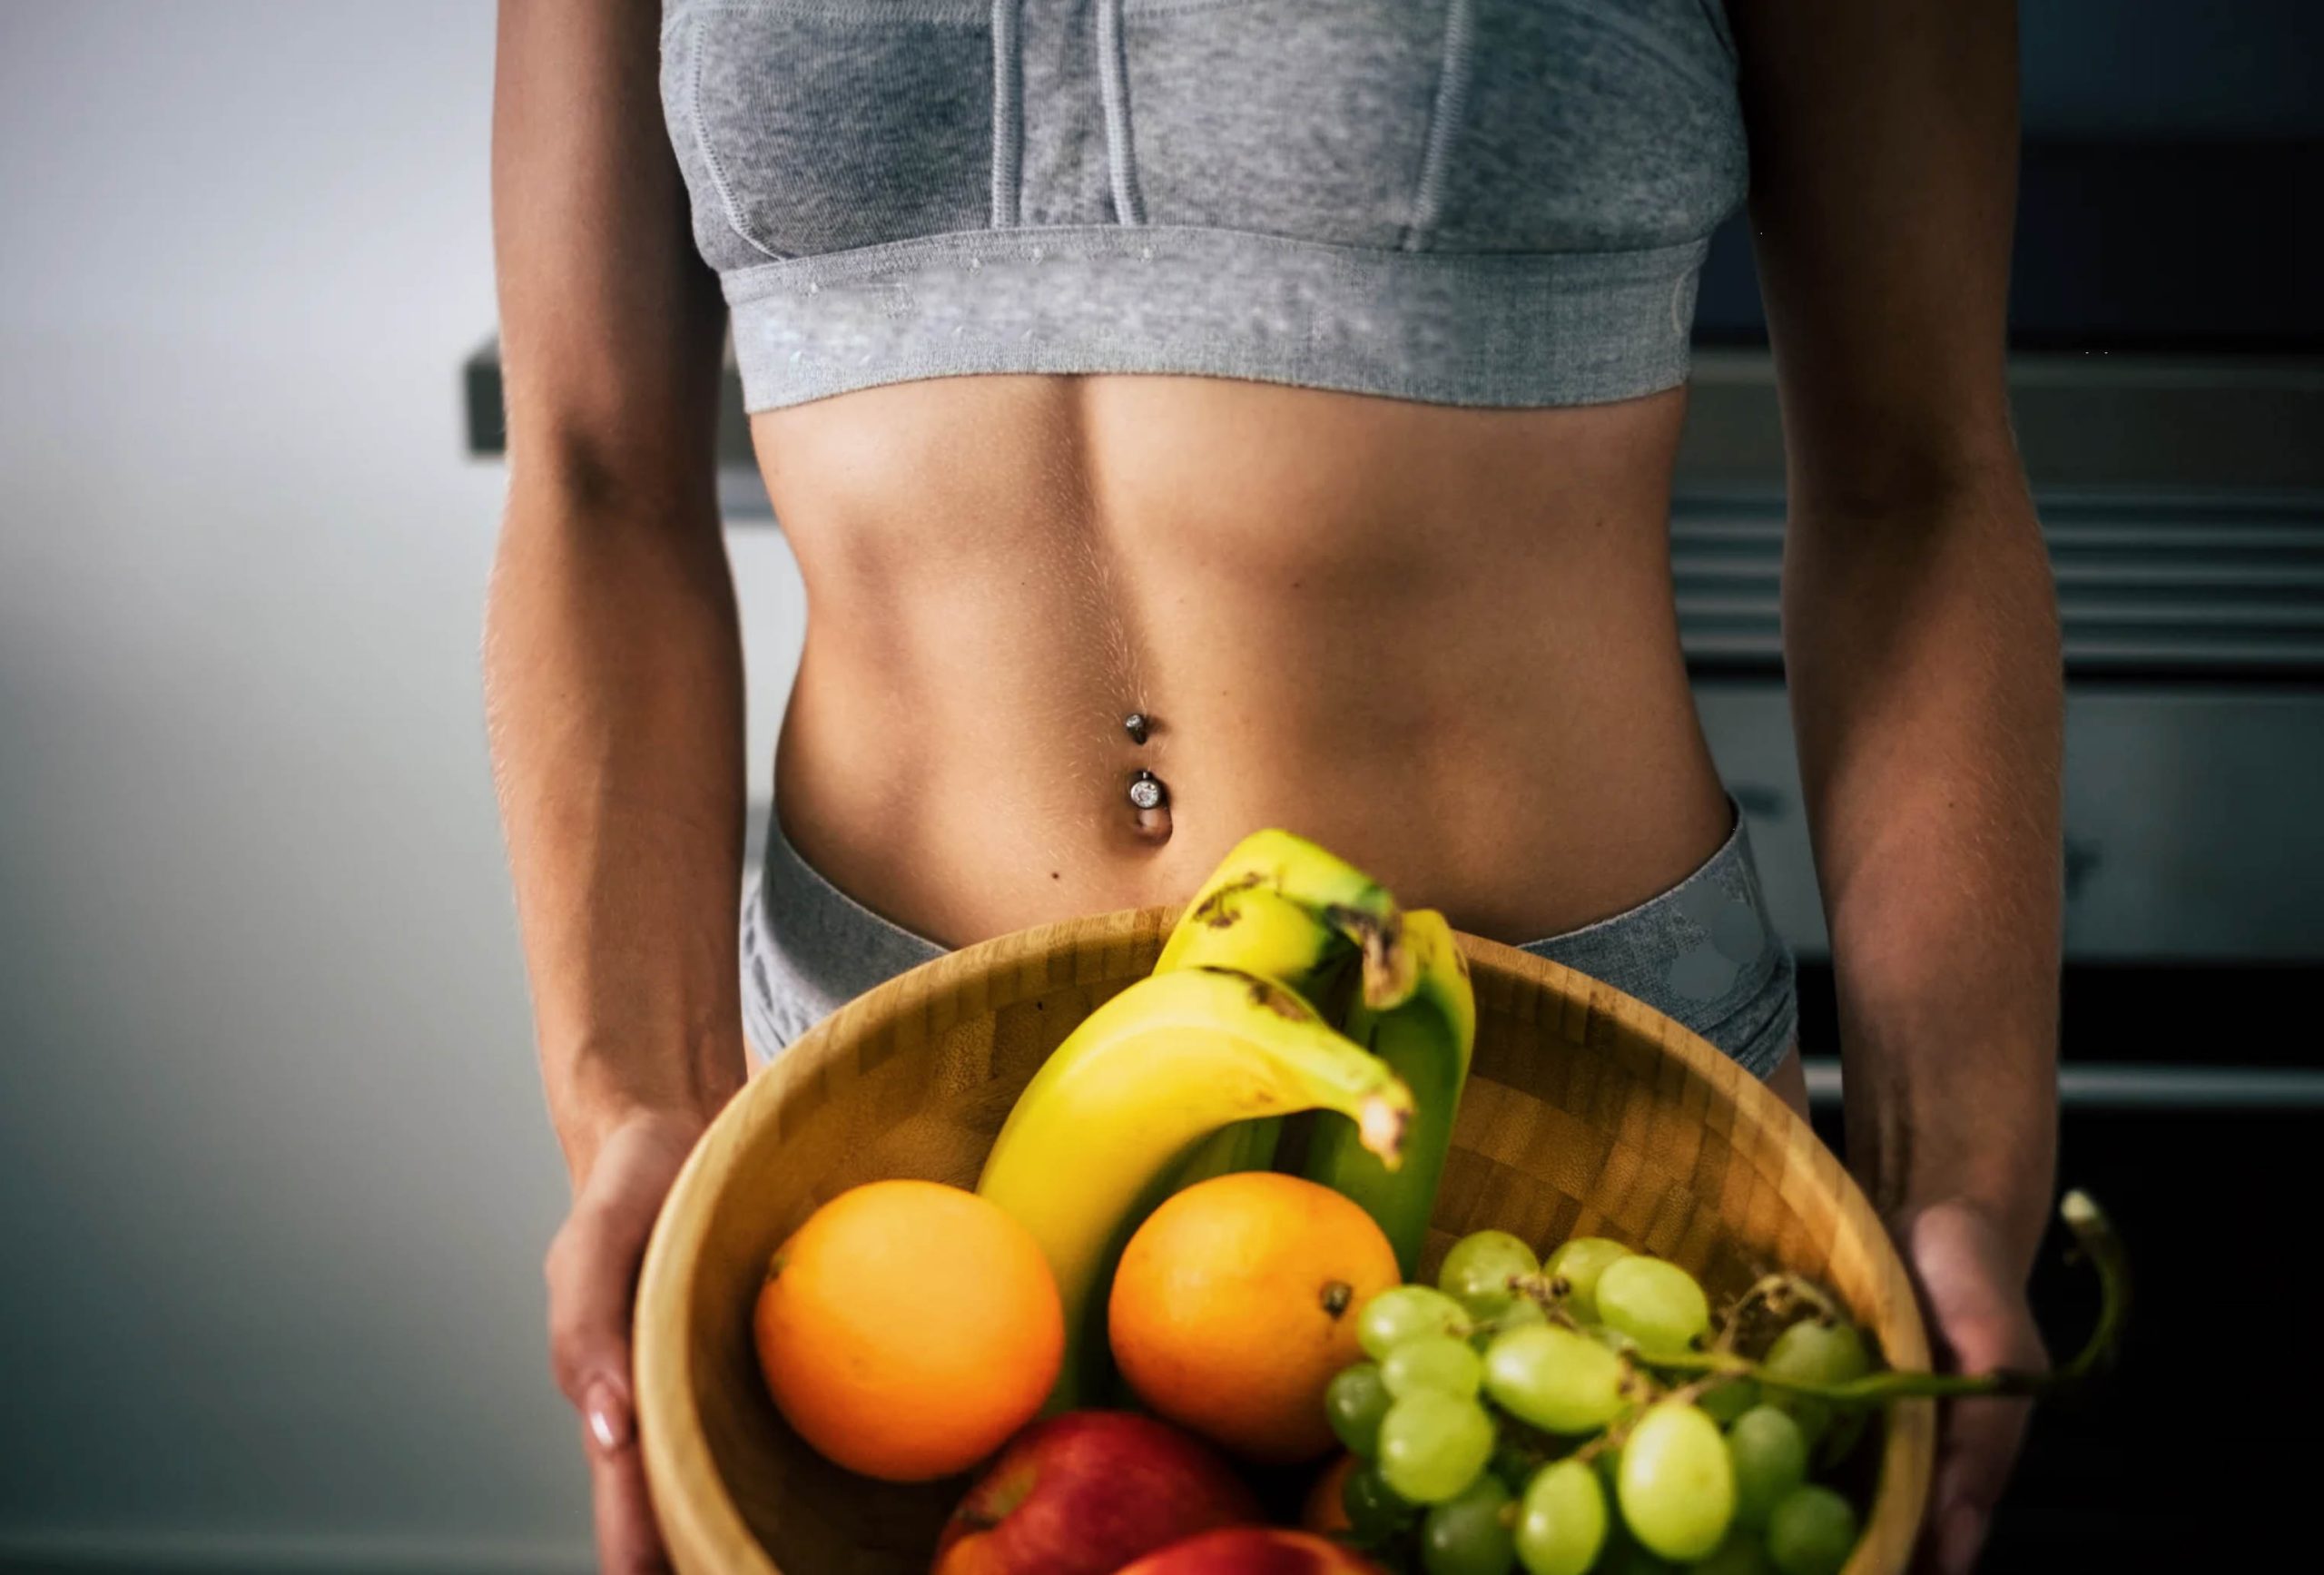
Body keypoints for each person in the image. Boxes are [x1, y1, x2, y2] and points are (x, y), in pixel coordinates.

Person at [486, 1, 2060, 1570]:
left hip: (1549, 1145)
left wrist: (1964, 1178)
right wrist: (633, 1093)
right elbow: (596, 478)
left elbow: (1913, 481)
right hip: (871, 1169)